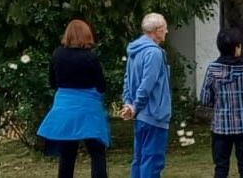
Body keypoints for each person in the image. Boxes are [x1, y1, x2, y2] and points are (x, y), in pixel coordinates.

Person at [37, 19, 110, 178]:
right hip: (88, 108)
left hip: (65, 106)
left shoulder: (57, 54)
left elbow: (52, 82)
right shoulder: (90, 57)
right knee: (97, 153)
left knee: (67, 154)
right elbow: (101, 85)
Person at [199, 27, 243, 178]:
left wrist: (217, 102)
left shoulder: (213, 69)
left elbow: (205, 98)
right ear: (236, 47)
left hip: (220, 126)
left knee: (221, 168)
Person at [121, 13, 171, 178]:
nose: (167, 31)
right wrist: (135, 106)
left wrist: (128, 103)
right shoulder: (154, 53)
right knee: (152, 162)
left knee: (140, 160)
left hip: (141, 116)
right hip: (154, 114)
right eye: (164, 28)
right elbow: (147, 85)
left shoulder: (134, 51)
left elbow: (127, 79)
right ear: (157, 30)